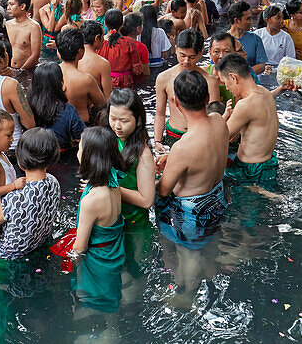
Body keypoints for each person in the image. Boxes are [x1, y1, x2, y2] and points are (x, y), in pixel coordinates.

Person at [0, 128, 60, 285]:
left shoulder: (13, 198)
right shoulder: (54, 183)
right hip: (38, 249)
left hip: (6, 264)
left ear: (20, 160)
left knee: (0, 304)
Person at [155, 70, 230, 248]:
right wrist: (172, 158)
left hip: (191, 219)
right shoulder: (219, 121)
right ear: (207, 99)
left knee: (187, 269)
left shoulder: (181, 148)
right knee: (210, 259)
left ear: (178, 104)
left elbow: (163, 191)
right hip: (218, 204)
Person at [69, 126, 126, 312]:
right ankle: (112, 330)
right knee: (110, 299)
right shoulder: (114, 182)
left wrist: (71, 264)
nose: (78, 151)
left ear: (89, 157)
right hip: (113, 253)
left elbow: (81, 247)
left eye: (80, 148)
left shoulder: (91, 201)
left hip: (97, 262)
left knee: (91, 300)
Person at [217, 53, 279, 184]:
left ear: (233, 77)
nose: (226, 87)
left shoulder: (245, 105)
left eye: (225, 82)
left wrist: (223, 118)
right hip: (268, 164)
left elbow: (219, 138)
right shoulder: (264, 92)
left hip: (250, 171)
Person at [154, 30, 220, 151]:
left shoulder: (210, 81)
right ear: (176, 49)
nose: (186, 61)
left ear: (200, 54)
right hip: (173, 135)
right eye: (182, 55)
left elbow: (214, 116)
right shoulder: (164, 78)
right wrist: (157, 141)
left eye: (192, 57)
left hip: (200, 136)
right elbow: (160, 113)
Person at [106, 89, 155, 228]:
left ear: (138, 120)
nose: (117, 126)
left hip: (134, 223)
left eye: (124, 121)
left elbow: (146, 201)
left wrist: (107, 188)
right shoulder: (108, 137)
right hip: (111, 218)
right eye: (113, 118)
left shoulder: (143, 154)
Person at [27, 62, 87, 151]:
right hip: (62, 156)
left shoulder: (27, 108)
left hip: (35, 153)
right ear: (59, 83)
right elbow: (82, 137)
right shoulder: (68, 110)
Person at [97, 9, 145, 89]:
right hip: (125, 83)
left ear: (105, 24)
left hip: (105, 83)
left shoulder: (99, 43)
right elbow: (137, 70)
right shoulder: (129, 42)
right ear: (122, 24)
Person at [225, 1, 267, 74]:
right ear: (237, 20)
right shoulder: (222, 41)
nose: (251, 22)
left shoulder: (255, 39)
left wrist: (243, 76)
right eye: (248, 19)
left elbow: (261, 65)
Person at [5, 0, 42, 71]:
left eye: (11, 4)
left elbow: (35, 55)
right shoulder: (7, 25)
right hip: (9, 69)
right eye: (8, 4)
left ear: (22, 6)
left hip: (27, 70)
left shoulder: (34, 27)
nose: (8, 8)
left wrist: (21, 70)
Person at [79, 21, 114, 103]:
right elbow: (107, 97)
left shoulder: (73, 58)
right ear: (97, 38)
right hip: (95, 108)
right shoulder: (103, 64)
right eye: (103, 36)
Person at [139, 3, 173, 70]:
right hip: (158, 67)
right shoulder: (160, 32)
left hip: (142, 67)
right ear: (155, 17)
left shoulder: (137, 33)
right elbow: (164, 54)